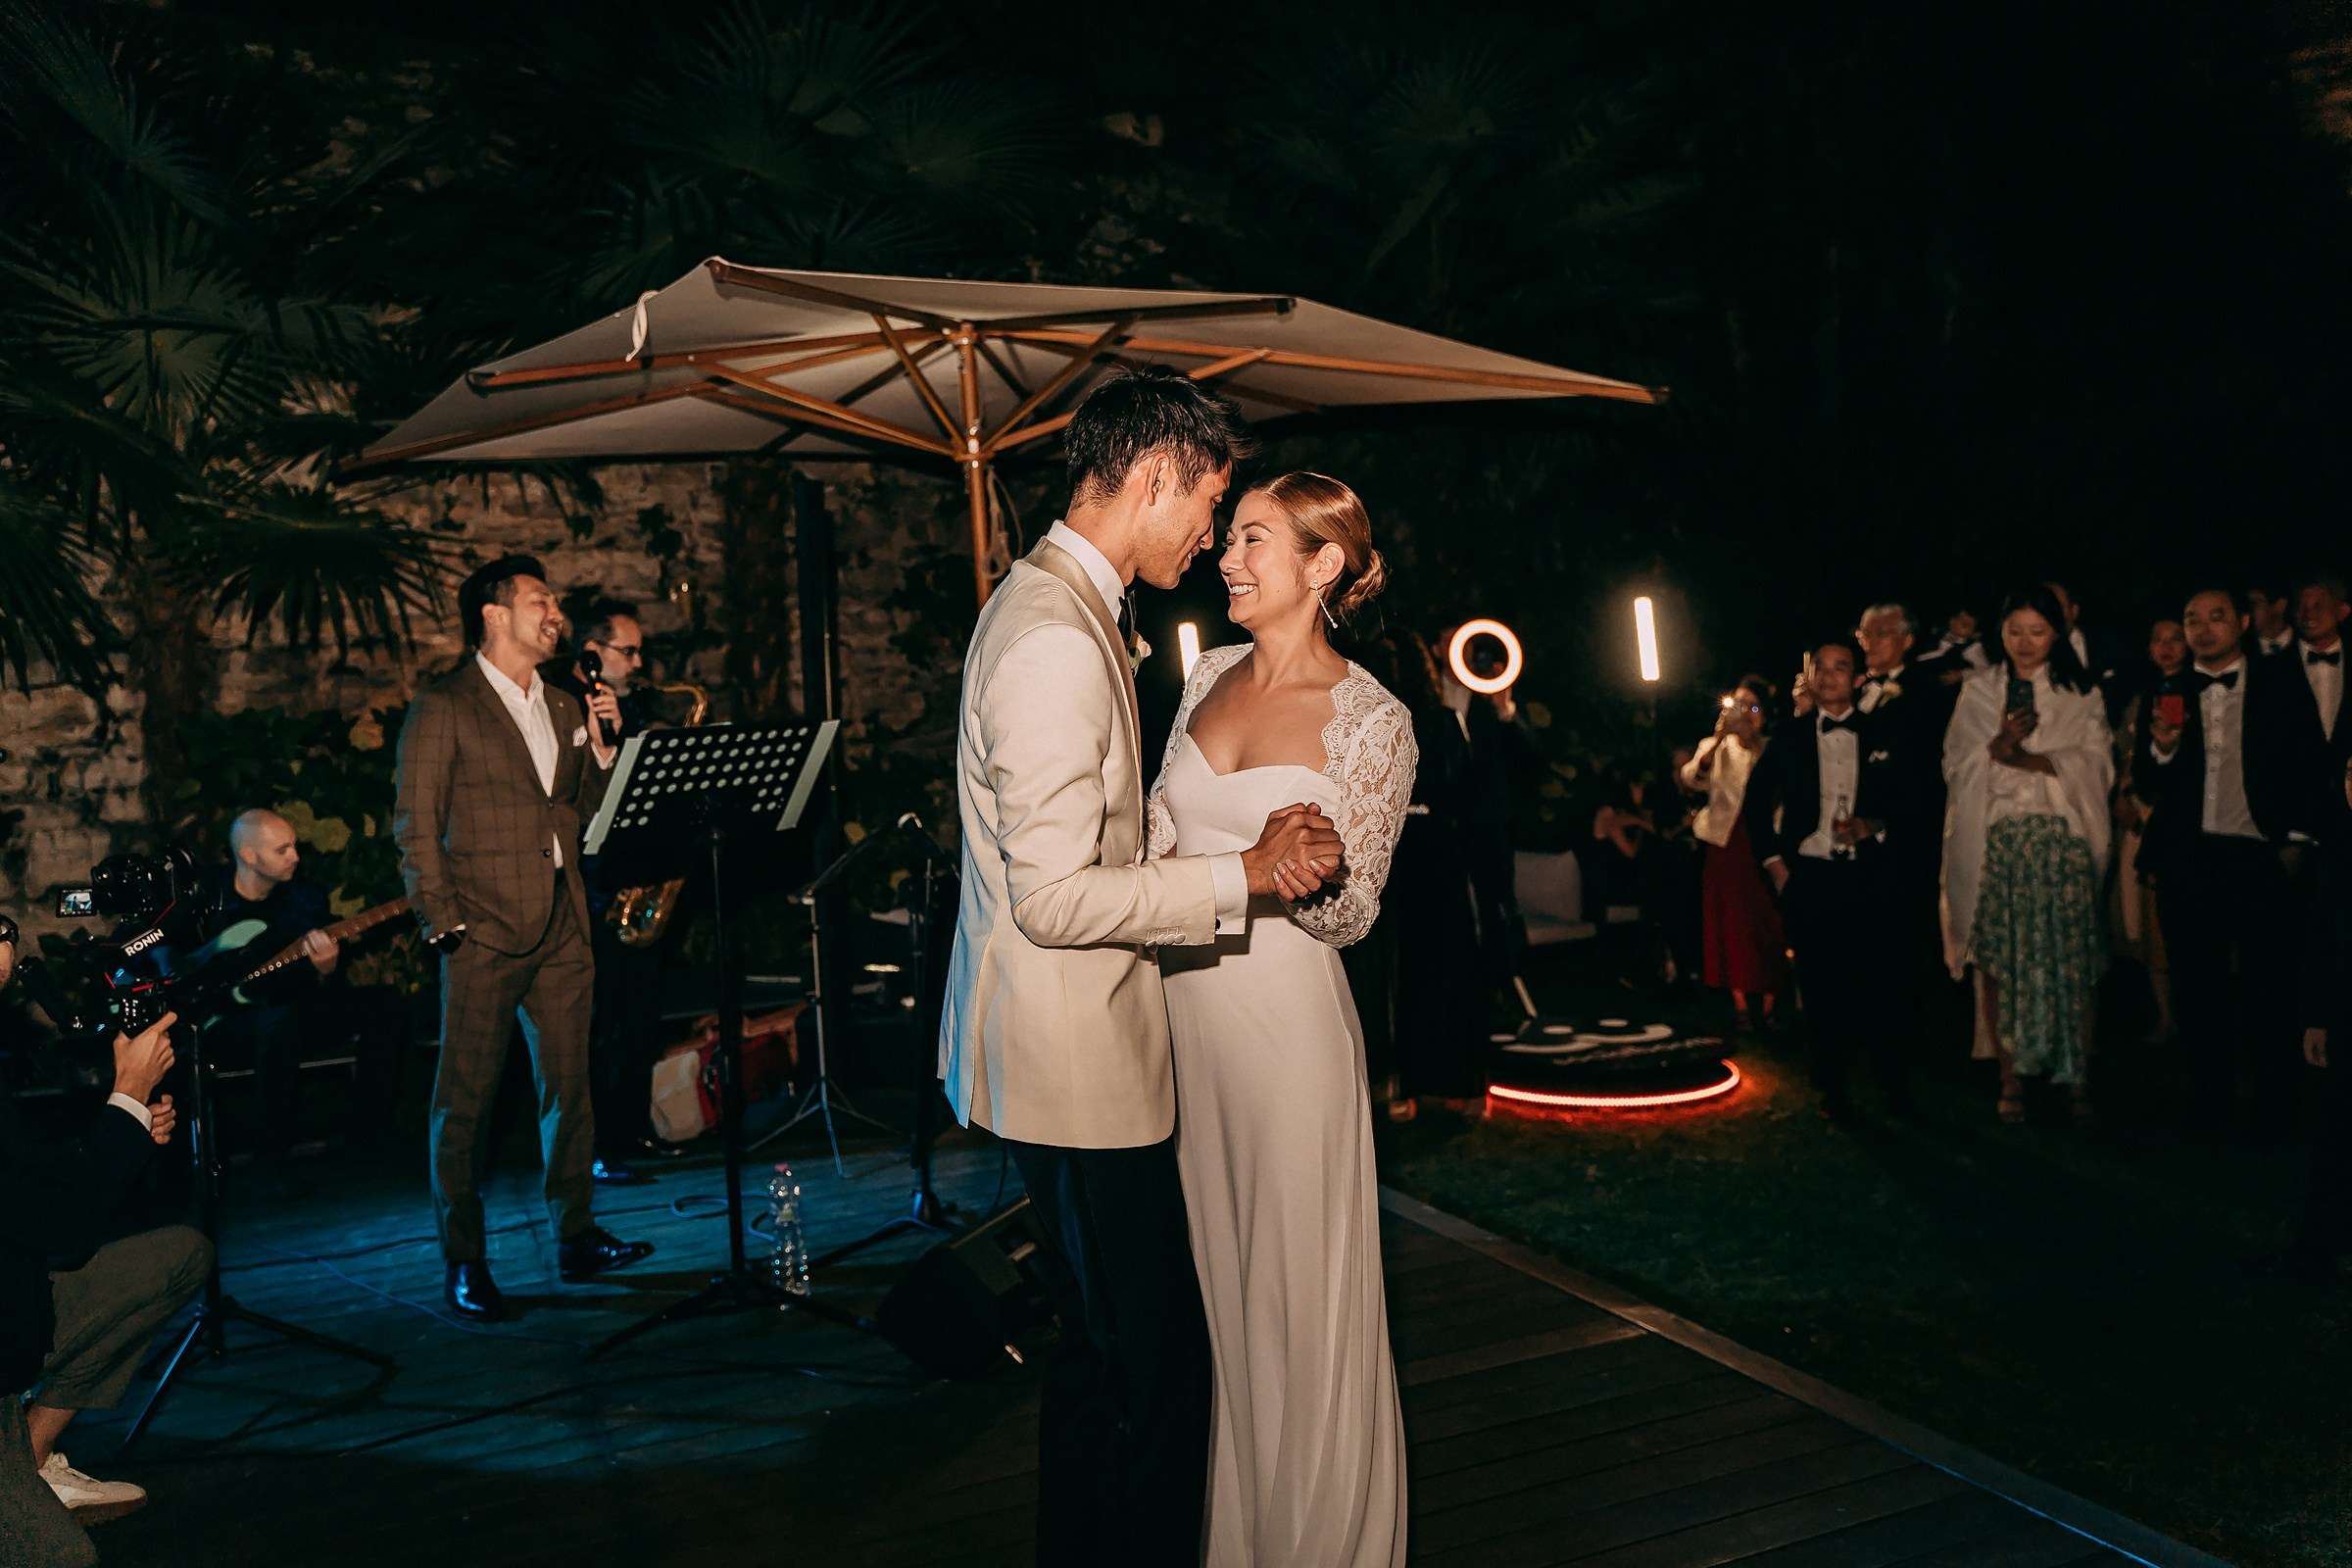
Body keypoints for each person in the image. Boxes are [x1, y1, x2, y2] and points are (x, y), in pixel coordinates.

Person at [936, 367, 1346, 1567]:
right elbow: (1056, 897)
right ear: (1155, 475)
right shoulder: (1053, 640)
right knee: (1156, 1373)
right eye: (1208, 505)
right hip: (1075, 1065)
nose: (1210, 535)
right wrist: (1247, 877)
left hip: (1060, 1053)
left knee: (1100, 1357)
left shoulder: (1056, 604)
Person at [1147, 470, 1410, 1566]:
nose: (1227, 556)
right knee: (1220, 1292)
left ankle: (1319, 1539)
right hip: (1182, 1023)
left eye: (1253, 539)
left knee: (1298, 1297)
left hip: (1287, 1031)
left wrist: (1322, 867)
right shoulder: (1203, 670)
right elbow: (1158, 841)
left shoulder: (1373, 718)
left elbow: (1353, 919)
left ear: (1323, 564)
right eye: (1231, 536)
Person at [392, 555, 652, 1323]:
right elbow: (414, 825)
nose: (556, 614)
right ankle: (464, 1259)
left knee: (568, 1091)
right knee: (465, 1102)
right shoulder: (444, 706)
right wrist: (443, 921)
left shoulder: (568, 707)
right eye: (540, 600)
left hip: (563, 929)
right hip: (482, 932)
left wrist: (606, 750)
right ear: (493, 616)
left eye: (554, 602)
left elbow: (586, 816)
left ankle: (575, 1234)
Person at [0, 934, 206, 1563]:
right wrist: (125, 1098)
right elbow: (49, 1224)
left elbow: (20, 1181)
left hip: (16, 1309)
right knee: (63, 1560)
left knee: (178, 1257)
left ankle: (30, 1459)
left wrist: (129, 1123)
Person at [2135, 587, 2317, 1132]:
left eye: (2216, 617)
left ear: (2241, 622)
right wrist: (2163, 747)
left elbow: (2309, 761)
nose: (2203, 628)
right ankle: (2209, 1104)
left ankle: (2273, 1107)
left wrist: (2295, 842)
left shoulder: (2280, 682)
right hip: (2188, 861)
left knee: (2268, 986)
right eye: (2192, 619)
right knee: (2197, 987)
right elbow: (2149, 782)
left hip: (2257, 855)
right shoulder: (2170, 688)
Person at [1942, 585, 2114, 1122]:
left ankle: (2076, 1071)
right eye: (2014, 630)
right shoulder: (1979, 690)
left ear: (2057, 633)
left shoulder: (2079, 693)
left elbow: (2097, 765)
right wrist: (1994, 751)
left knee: (2072, 959)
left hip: (2061, 844)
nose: (2024, 642)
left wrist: (2032, 758)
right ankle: (2009, 1075)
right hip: (2002, 842)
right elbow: (1956, 762)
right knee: (1998, 960)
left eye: (2037, 630)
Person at [1748, 643, 1923, 1118]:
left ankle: (1894, 1085)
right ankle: (1831, 1089)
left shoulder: (1883, 730)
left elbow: (1914, 799)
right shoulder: (1789, 735)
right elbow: (1755, 802)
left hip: (1871, 877)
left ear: (1856, 677)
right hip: (1811, 878)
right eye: (1819, 669)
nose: (1827, 676)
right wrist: (1777, 869)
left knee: (1883, 985)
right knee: (1822, 989)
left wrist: (1875, 825)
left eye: (1838, 667)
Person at [543, 599, 681, 1186]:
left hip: (635, 877)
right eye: (630, 651)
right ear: (593, 653)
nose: (639, 661)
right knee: (599, 1023)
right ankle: (597, 1143)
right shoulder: (555, 699)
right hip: (586, 884)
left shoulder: (631, 703)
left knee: (639, 1013)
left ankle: (631, 1127)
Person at [196, 808, 405, 1186]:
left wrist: (325, 969)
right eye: (282, 850)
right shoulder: (206, 897)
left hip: (290, 1008)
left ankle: (367, 1135)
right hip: (223, 1021)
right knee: (279, 1024)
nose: (295, 857)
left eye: (295, 846)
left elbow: (309, 983)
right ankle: (269, 1158)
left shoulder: (305, 898)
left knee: (385, 1004)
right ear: (248, 856)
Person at [1348, 630, 1490, 1118]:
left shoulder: (1370, 721)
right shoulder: (1441, 721)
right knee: (1443, 966)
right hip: (1436, 850)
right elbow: (1469, 793)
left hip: (1388, 850)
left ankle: (1397, 1087)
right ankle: (1453, 1086)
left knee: (1393, 968)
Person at [1676, 678, 1785, 1031]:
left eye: (1752, 708)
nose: (1744, 714)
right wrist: (1721, 737)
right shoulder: (1715, 745)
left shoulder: (1771, 748)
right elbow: (1691, 778)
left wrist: (1751, 742)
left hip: (1763, 842)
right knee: (1731, 924)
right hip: (1725, 843)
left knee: (1766, 920)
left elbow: (1775, 787)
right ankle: (1740, 1004)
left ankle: (1769, 1003)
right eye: (1738, 706)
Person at [2111, 618, 2190, 1042]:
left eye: (2175, 638)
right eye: (2157, 639)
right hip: (2143, 818)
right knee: (2145, 918)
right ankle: (2165, 1015)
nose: (2166, 647)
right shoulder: (2143, 697)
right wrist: (2123, 794)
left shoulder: (2192, 690)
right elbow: (2125, 753)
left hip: (2179, 820)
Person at [2245, 578, 2295, 658]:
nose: (2248, 611)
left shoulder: (2307, 642)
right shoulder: (2243, 651)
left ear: (2279, 606)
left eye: (2254, 603)